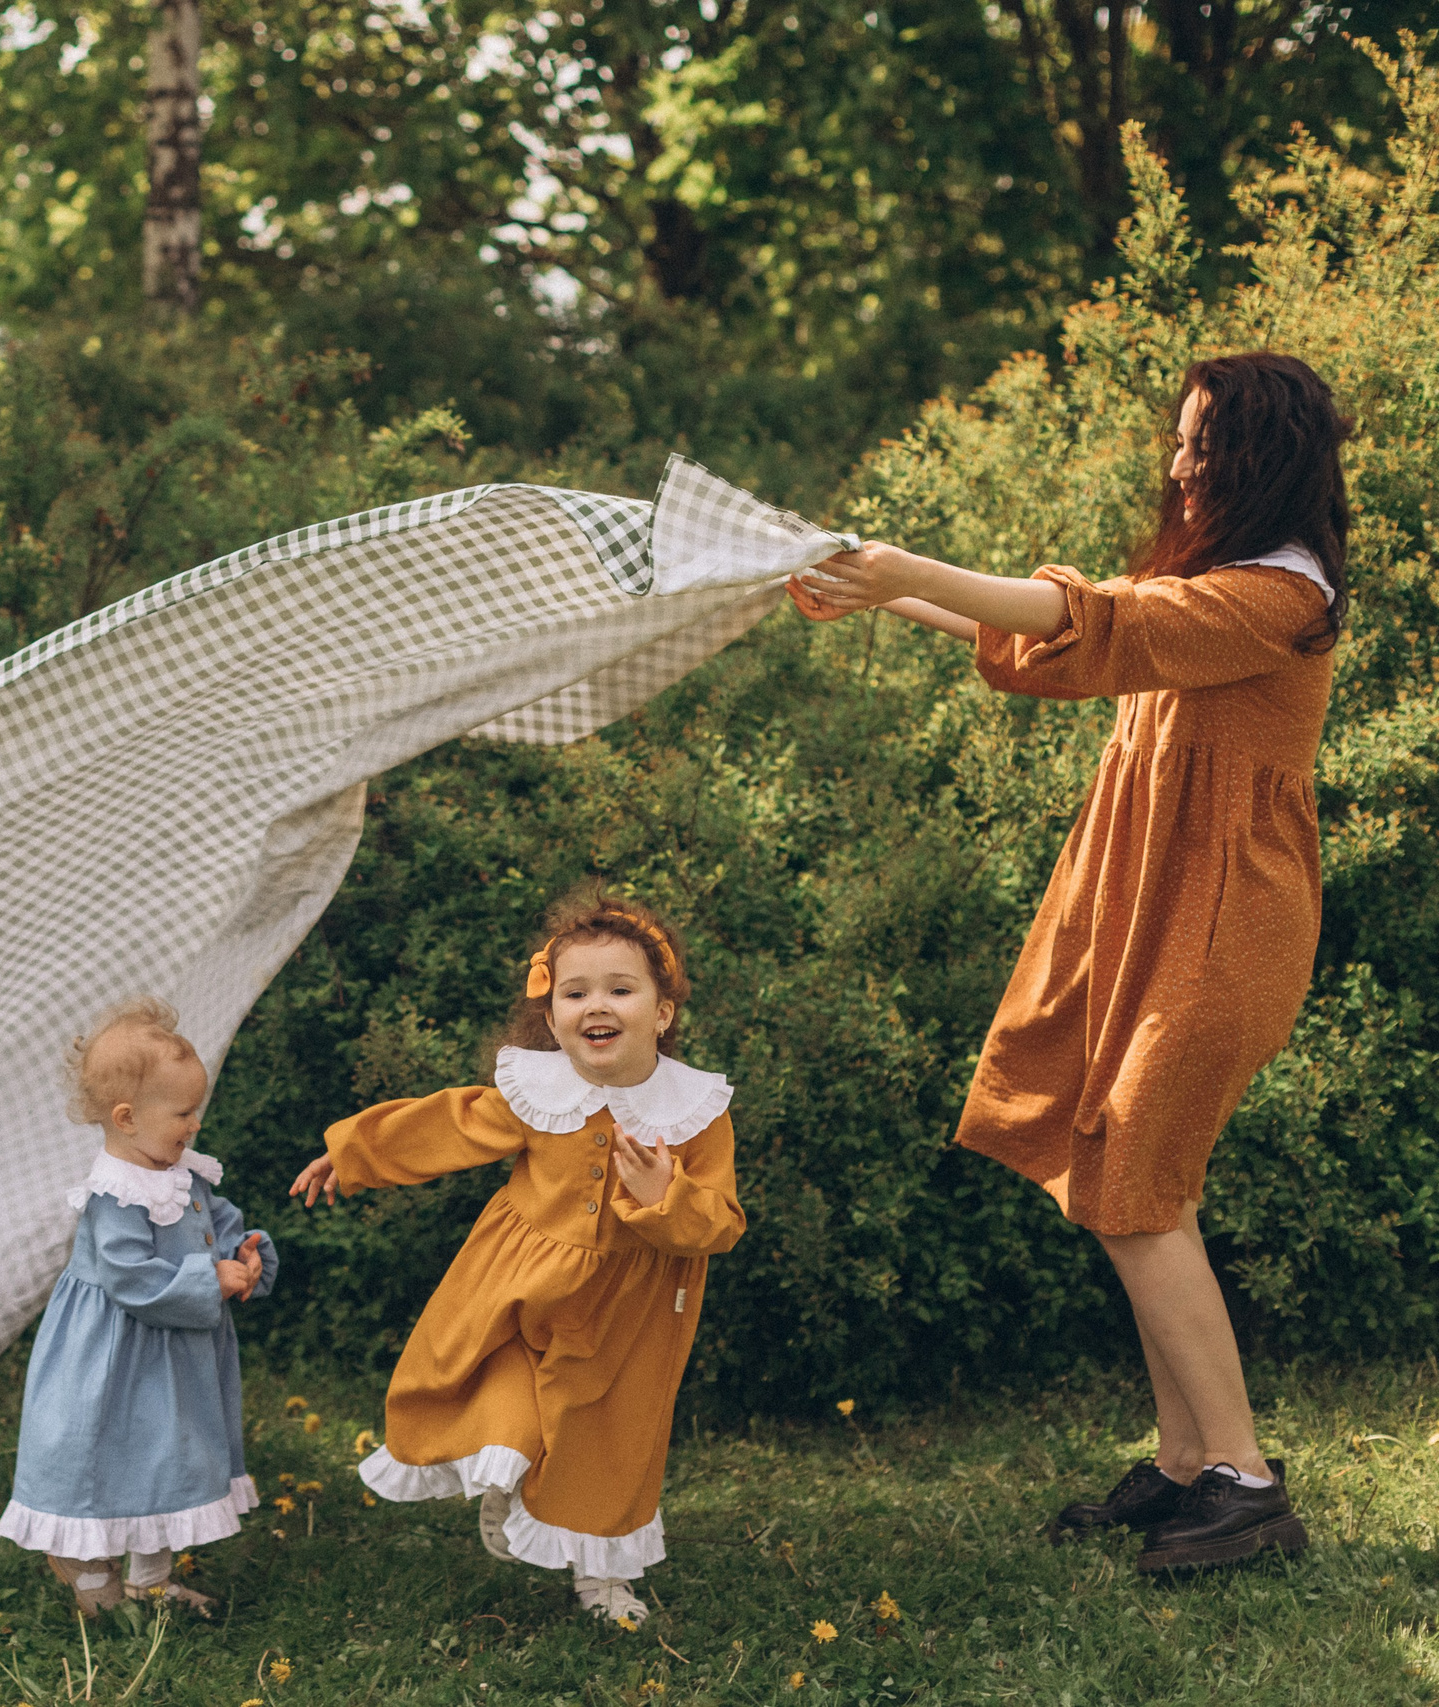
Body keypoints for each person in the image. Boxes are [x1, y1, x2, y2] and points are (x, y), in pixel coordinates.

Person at [791, 351, 1349, 1574]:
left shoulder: (1276, 597)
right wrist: (880, 594)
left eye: (1202, 443)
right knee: (1137, 1185)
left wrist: (904, 566)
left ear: (1261, 458)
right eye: (1180, 439)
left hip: (1220, 932)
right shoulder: (1215, 586)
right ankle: (1186, 1462)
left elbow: (1095, 616)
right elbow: (1068, 641)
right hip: (1165, 919)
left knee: (1136, 1188)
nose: (1178, 463)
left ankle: (1246, 1488)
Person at [289, 889, 743, 1624]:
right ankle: (505, 1482)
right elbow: (450, 1124)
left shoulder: (695, 1111)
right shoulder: (540, 1091)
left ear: (661, 1011)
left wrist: (666, 1193)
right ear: (552, 1012)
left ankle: (602, 1580)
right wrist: (356, 1153)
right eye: (575, 991)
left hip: (626, 1316)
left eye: (620, 988)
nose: (596, 1004)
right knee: (502, 1399)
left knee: (607, 1445)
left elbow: (720, 1223)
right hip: (518, 1287)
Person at [0, 997, 274, 1615]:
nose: (194, 1124)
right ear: (126, 1117)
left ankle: (151, 1584)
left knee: (170, 1460)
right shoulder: (115, 1196)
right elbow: (130, 1277)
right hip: (115, 1359)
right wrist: (210, 1280)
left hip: (172, 1359)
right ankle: (92, 1579)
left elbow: (218, 1224)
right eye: (182, 1112)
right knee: (110, 1458)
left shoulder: (181, 1170)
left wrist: (246, 1256)